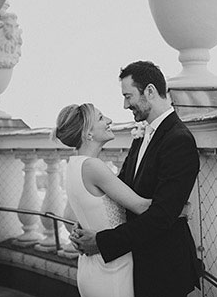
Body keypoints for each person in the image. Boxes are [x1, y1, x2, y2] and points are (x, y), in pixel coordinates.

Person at [70, 61, 202, 296]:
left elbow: (161, 217)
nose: (124, 104)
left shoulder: (179, 140)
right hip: (137, 265)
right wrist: (89, 223)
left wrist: (101, 242)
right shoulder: (142, 135)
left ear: (150, 91)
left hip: (163, 269)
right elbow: (119, 192)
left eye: (128, 96)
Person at [54, 103, 152, 297]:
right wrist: (181, 209)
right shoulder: (92, 167)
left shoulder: (74, 165)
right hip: (111, 271)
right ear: (87, 134)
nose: (109, 120)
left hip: (95, 268)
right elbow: (141, 206)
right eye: (100, 118)